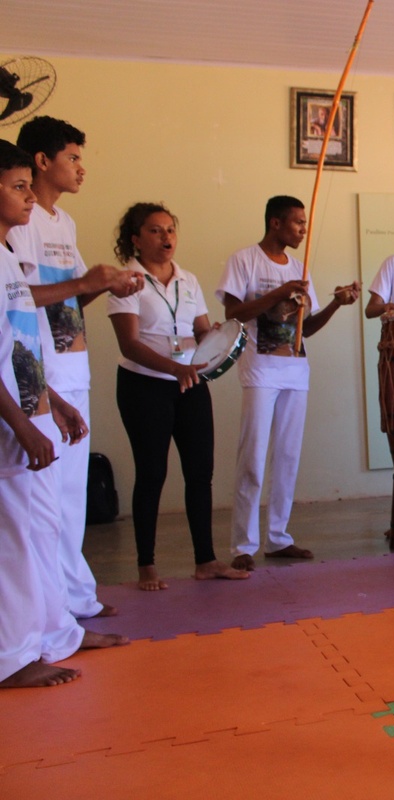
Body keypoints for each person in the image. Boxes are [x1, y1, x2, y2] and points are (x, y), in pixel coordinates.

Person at [0, 140, 126, 689]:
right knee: (15, 539)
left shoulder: (7, 256)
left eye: (29, 185)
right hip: (12, 422)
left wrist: (55, 400)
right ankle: (12, 656)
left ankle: (55, 634)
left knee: (46, 527)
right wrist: (23, 422)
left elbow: (22, 345)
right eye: (18, 187)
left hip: (36, 406)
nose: (29, 199)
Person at [107, 202, 250, 591]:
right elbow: (130, 343)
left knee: (200, 473)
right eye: (155, 230)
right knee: (152, 473)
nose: (166, 237)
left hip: (189, 384)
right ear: (135, 239)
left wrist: (215, 336)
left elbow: (201, 330)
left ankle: (206, 560)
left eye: (170, 229)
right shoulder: (127, 281)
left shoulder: (187, 279)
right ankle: (146, 564)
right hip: (144, 385)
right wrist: (174, 368)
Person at [217, 195, 360, 572]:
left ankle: (278, 537)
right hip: (260, 369)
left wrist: (335, 304)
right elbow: (233, 313)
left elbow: (305, 329)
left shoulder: (300, 269)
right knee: (252, 457)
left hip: (296, 371)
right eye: (297, 223)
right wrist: (278, 293)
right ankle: (243, 545)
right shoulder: (244, 259)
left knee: (287, 457)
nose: (303, 230)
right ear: (276, 223)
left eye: (305, 224)